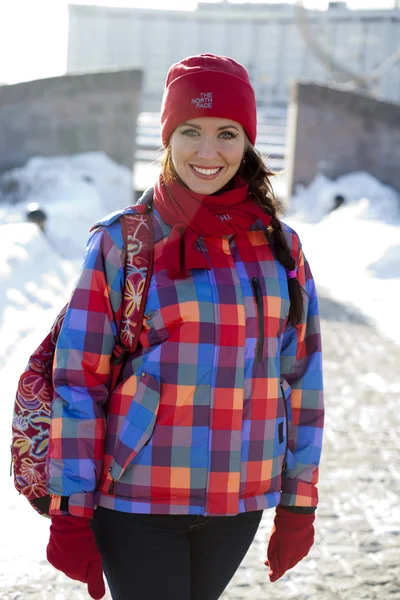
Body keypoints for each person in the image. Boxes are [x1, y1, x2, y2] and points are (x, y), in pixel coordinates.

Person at [45, 54, 324, 600]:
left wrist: (298, 502)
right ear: (168, 137)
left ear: (246, 143)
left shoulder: (280, 247)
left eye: (226, 133)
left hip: (238, 501)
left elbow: (301, 380)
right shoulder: (123, 242)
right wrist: (70, 510)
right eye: (191, 131)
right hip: (136, 498)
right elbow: (77, 379)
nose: (207, 151)